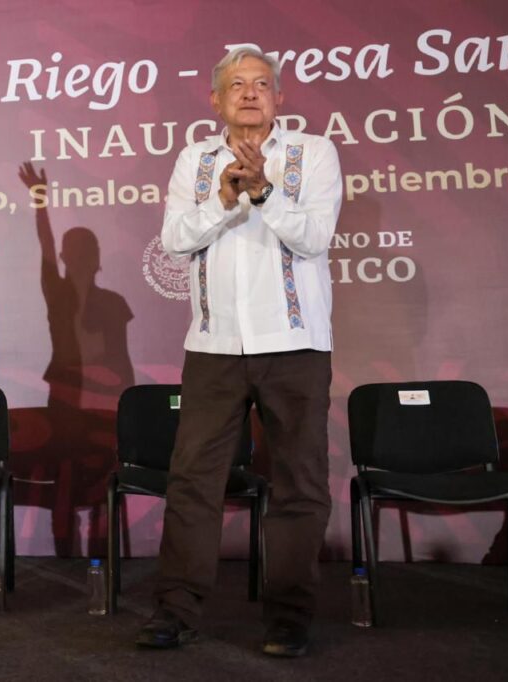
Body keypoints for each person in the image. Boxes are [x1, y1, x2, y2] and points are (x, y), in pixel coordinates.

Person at [135, 47, 342, 656]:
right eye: (236, 85)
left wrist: (266, 192)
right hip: (214, 346)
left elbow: (314, 238)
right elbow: (174, 242)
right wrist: (225, 198)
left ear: (279, 98)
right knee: (193, 482)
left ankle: (289, 619)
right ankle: (176, 611)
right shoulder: (195, 160)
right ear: (217, 100)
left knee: (300, 486)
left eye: (261, 84)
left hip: (296, 345)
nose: (249, 93)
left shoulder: (315, 153)